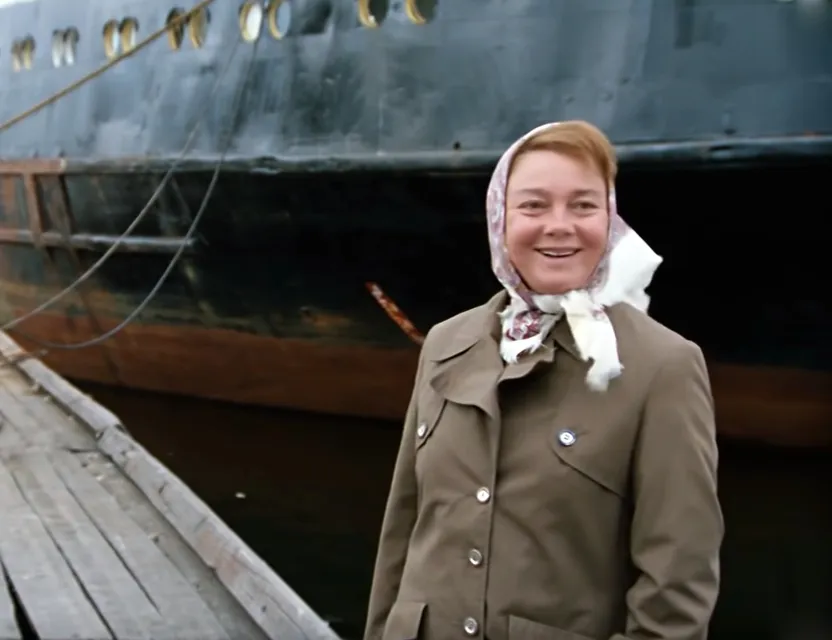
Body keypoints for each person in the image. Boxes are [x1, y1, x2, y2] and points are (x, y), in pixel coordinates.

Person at [364, 120, 724, 640]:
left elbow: (677, 587)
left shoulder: (662, 366)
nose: (560, 225)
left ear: (610, 218)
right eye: (533, 206)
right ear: (500, 219)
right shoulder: (446, 344)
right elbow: (402, 532)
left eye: (583, 205)